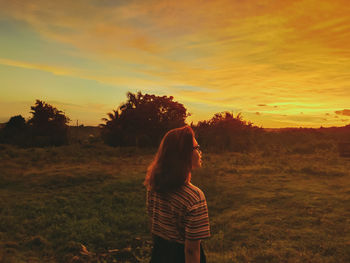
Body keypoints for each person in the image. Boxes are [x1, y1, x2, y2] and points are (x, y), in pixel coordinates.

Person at [144, 126, 210, 263]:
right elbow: (191, 250)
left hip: (159, 254)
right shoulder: (194, 197)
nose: (200, 152)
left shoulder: (154, 185)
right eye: (196, 148)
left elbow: (153, 225)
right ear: (184, 154)